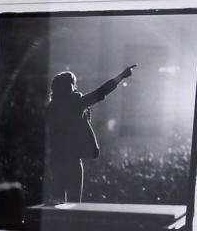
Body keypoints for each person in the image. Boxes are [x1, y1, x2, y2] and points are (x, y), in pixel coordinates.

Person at [43, 64, 137, 205]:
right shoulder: (75, 104)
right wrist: (121, 76)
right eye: (74, 84)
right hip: (73, 162)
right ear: (70, 86)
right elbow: (101, 92)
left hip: (56, 162)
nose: (76, 88)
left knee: (57, 203)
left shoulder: (51, 108)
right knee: (74, 206)